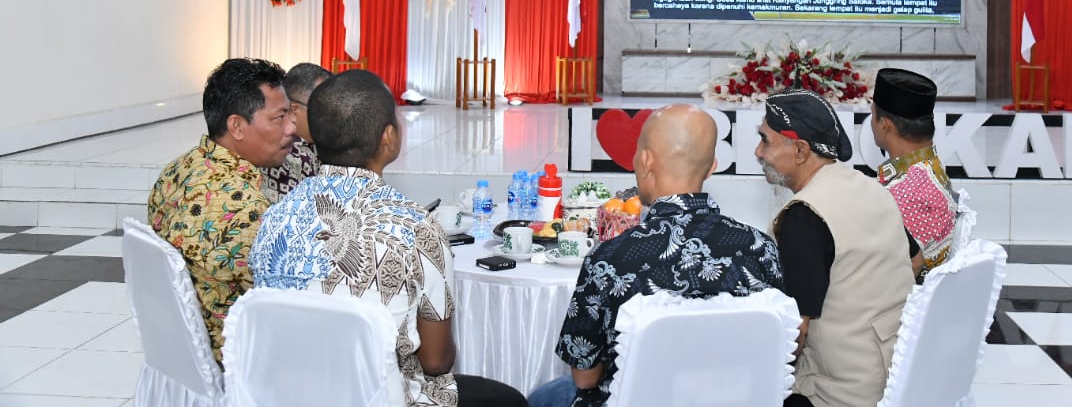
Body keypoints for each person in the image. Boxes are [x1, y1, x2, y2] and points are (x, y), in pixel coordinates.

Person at [250, 70, 527, 407]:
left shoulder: (274, 217)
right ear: (388, 138)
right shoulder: (415, 227)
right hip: (383, 399)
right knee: (509, 400)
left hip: (293, 395)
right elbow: (436, 361)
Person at [529, 104, 785, 407]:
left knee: (543, 397)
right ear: (712, 165)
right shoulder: (760, 248)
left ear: (646, 160)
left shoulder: (609, 259)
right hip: (729, 400)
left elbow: (585, 378)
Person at [754, 88, 914, 407]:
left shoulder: (805, 216)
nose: (758, 152)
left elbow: (793, 333)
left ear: (800, 151)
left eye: (765, 140)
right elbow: (916, 259)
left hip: (836, 395)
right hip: (897, 378)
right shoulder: (872, 189)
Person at [147, 57, 296, 362]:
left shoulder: (176, 171)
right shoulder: (244, 211)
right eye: (280, 117)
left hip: (184, 349)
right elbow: (295, 298)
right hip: (240, 358)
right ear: (237, 127)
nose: (292, 127)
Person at [869, 67, 959, 279]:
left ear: (885, 125)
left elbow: (894, 272)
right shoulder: (927, 168)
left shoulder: (905, 192)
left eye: (872, 116)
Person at [261, 62, 331, 203]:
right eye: (324, 108)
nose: (331, 116)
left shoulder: (322, 141)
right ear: (294, 109)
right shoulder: (281, 152)